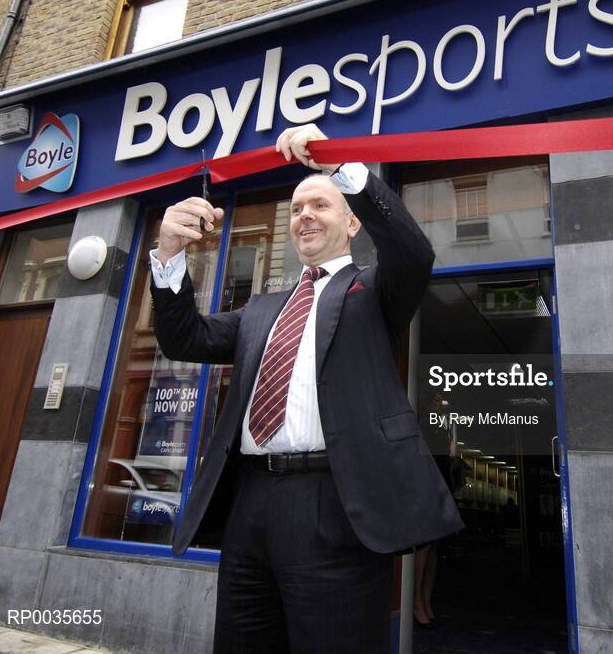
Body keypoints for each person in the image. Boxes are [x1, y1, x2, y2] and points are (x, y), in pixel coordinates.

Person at [149, 125, 464, 653]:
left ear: (352, 220)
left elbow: (413, 254)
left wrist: (341, 162)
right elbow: (186, 338)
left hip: (335, 502)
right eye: (296, 208)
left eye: (320, 203)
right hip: (249, 501)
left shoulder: (373, 291)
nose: (305, 216)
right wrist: (168, 251)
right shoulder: (262, 308)